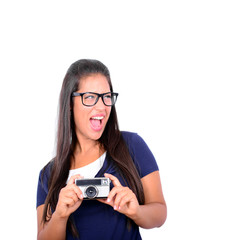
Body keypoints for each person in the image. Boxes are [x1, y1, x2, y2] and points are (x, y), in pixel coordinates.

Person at [36, 59, 167, 240]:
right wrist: (60, 215)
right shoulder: (49, 174)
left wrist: (135, 211)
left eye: (107, 96)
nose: (102, 107)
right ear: (70, 103)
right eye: (90, 97)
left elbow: (160, 213)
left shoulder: (131, 145)